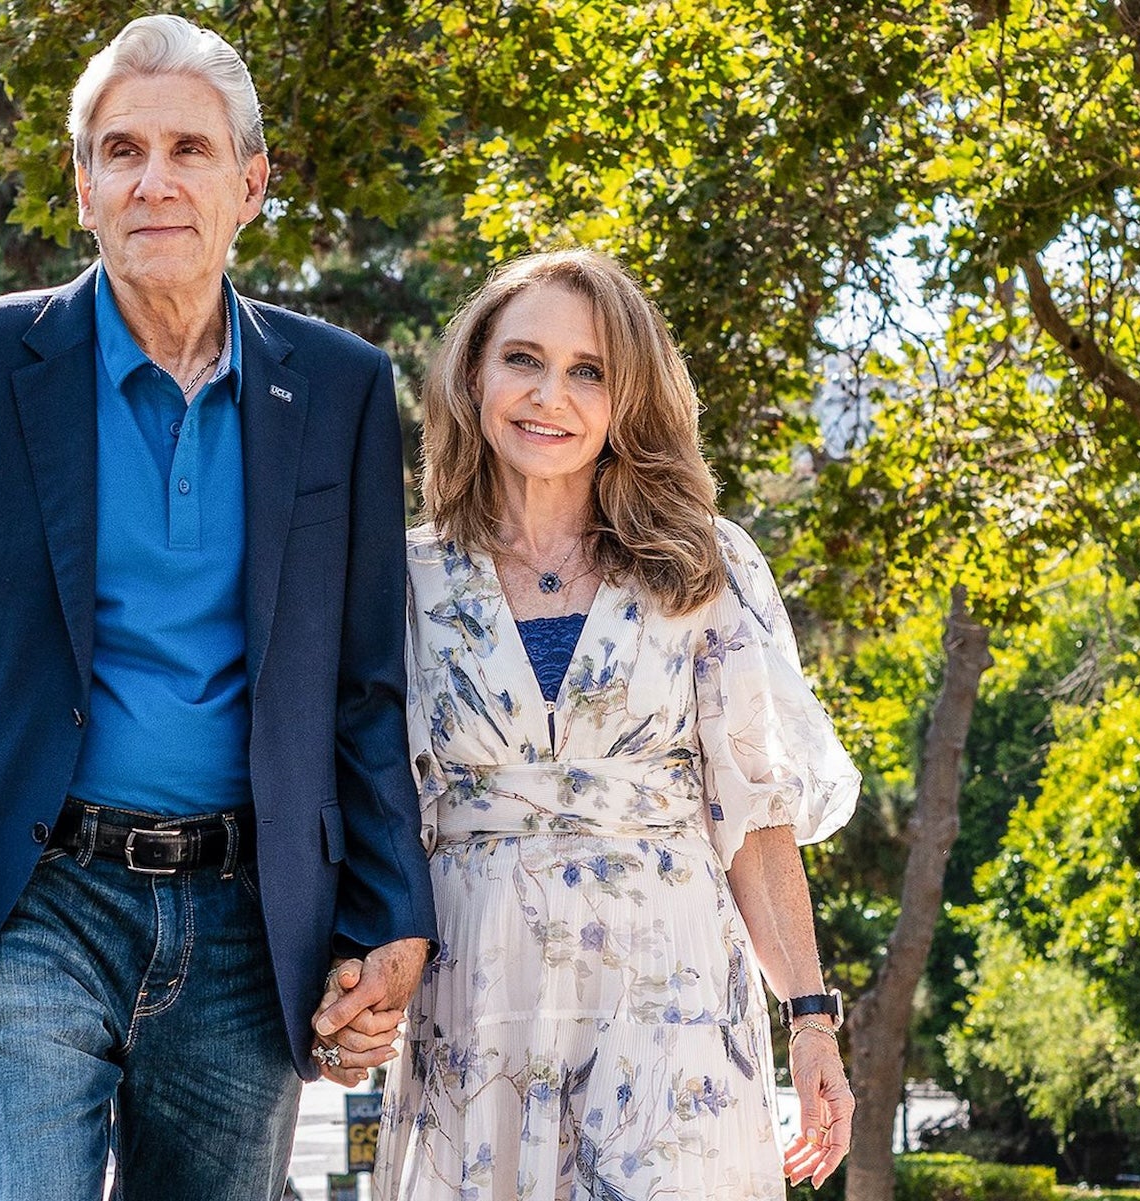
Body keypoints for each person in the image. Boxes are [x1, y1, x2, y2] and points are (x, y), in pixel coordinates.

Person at [0, 15, 436, 1199]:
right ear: (80, 182)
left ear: (251, 184)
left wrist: (391, 915)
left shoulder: (341, 388)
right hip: (32, 902)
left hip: (253, 924)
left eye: (190, 151)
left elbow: (361, 689)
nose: (156, 181)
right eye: (122, 149)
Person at [315, 250, 859, 1200]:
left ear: (625, 400)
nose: (549, 395)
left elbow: (755, 819)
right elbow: (367, 808)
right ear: (473, 376)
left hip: (674, 1004)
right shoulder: (401, 581)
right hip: (477, 1004)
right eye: (522, 358)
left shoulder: (702, 567)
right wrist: (350, 987)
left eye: (588, 370)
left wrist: (810, 1018)